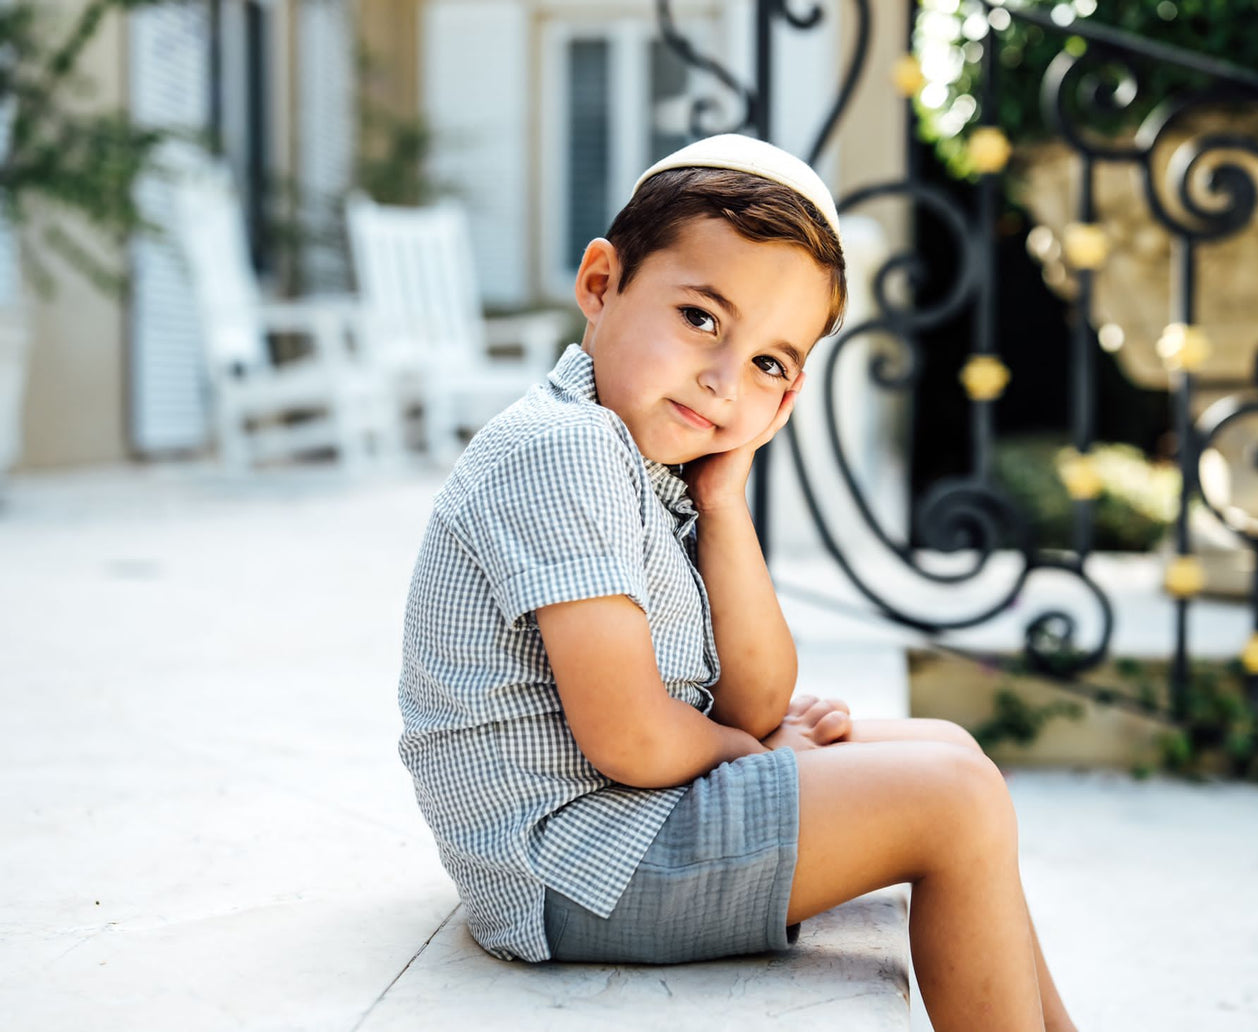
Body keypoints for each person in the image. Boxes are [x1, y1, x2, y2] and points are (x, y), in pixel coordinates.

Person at [397, 134, 1078, 1032]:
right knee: (954, 802)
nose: (723, 382)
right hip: (569, 863)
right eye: (701, 318)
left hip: (624, 821)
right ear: (601, 284)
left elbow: (754, 700)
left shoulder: (648, 465)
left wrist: (723, 502)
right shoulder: (563, 449)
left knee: (951, 749)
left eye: (768, 364)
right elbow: (633, 738)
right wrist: (751, 755)